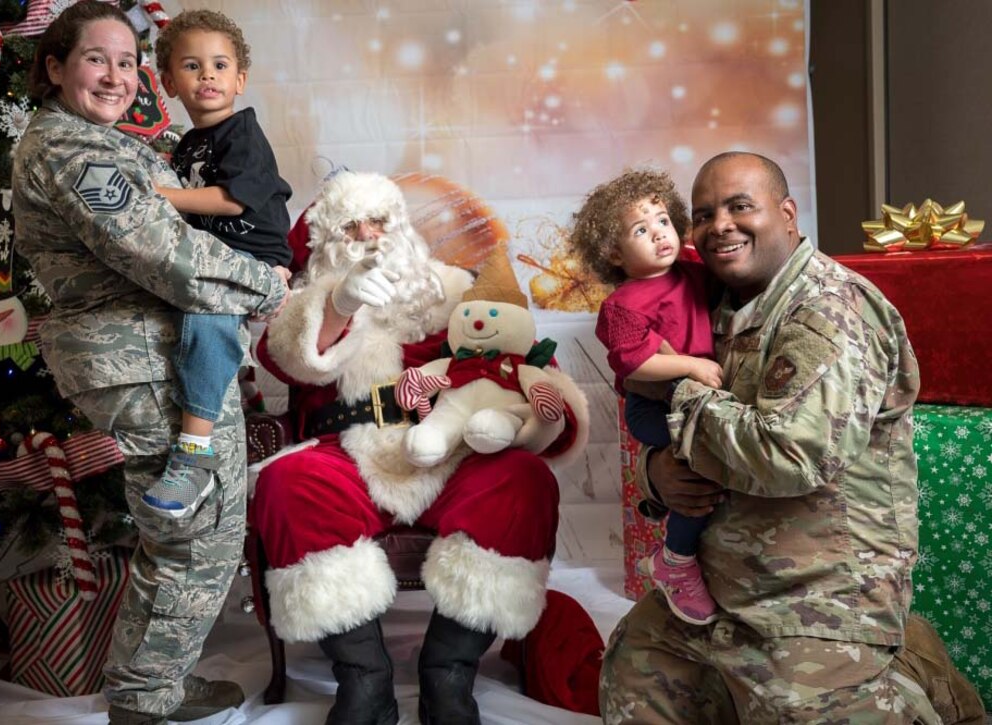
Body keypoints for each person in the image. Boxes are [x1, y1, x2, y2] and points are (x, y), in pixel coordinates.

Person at [11, 2, 288, 723]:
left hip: (157, 351)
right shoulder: (72, 152)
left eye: (128, 62)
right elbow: (163, 253)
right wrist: (267, 282)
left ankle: (151, 684)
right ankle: (144, 700)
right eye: (96, 59)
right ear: (55, 67)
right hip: (136, 358)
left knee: (190, 529)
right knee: (196, 528)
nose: (115, 76)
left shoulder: (110, 143)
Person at [599, 151, 942, 722]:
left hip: (813, 601)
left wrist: (680, 387)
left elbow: (789, 455)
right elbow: (672, 431)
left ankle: (911, 678)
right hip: (721, 588)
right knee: (632, 667)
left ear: (787, 214)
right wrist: (653, 471)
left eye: (740, 207)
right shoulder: (711, 300)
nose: (719, 226)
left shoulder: (830, 310)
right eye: (704, 216)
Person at [251, 170, 588, 725]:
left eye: (378, 221)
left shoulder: (453, 290)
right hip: (345, 453)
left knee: (523, 482)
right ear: (324, 241)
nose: (365, 235)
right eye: (349, 226)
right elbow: (285, 355)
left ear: (400, 226)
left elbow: (521, 357)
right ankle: (365, 681)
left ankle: (448, 674)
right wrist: (337, 304)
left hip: (451, 448)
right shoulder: (306, 302)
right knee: (287, 484)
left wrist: (547, 406)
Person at [142, 9, 293, 519]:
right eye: (192, 65)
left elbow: (231, 201)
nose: (207, 75)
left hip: (255, 255)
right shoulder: (188, 145)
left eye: (219, 65)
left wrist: (161, 197)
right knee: (185, 322)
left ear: (239, 78)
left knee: (207, 319)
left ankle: (195, 456)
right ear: (168, 83)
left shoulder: (241, 133)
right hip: (217, 257)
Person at [570, 168, 722, 627]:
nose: (659, 235)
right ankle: (675, 560)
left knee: (712, 460)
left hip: (693, 397)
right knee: (700, 455)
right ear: (614, 253)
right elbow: (635, 364)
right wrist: (691, 365)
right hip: (652, 405)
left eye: (663, 221)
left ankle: (692, 549)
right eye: (641, 230)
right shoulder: (625, 304)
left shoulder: (691, 270)